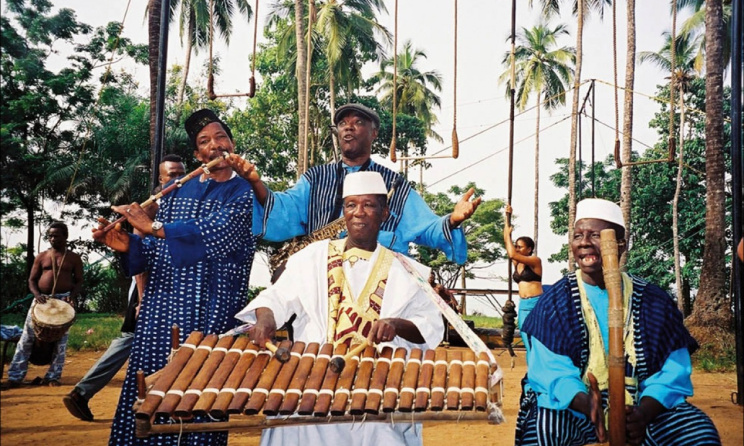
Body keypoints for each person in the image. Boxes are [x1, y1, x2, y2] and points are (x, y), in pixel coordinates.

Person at [235, 171, 444, 446]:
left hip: (377, 384)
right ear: (343, 211)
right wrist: (265, 319)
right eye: (351, 205)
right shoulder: (312, 256)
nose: (359, 213)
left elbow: (430, 326)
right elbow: (276, 297)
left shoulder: (409, 270)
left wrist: (396, 324)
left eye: (369, 205)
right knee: (289, 420)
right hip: (312, 379)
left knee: (382, 432)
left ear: (384, 213)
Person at [93, 109, 258, 446]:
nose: (214, 145)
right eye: (204, 142)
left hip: (209, 318)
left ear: (232, 144)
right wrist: (127, 245)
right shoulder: (174, 193)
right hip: (160, 313)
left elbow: (219, 234)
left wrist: (152, 226)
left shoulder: (245, 193)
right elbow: (151, 251)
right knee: (148, 397)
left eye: (220, 137)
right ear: (197, 155)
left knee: (201, 397)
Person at [514, 198, 721, 446]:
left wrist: (643, 414)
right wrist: (586, 403)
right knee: (544, 432)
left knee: (699, 434)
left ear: (621, 245)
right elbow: (549, 370)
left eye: (596, 235)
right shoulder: (555, 302)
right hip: (576, 407)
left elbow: (672, 371)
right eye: (578, 235)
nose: (585, 243)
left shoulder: (653, 300)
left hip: (643, 406)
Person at [229, 102, 481, 265]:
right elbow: (282, 209)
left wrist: (454, 220)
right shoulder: (315, 178)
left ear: (374, 133)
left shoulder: (394, 183)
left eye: (358, 122)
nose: (348, 128)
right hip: (321, 278)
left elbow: (426, 228)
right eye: (342, 123)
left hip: (380, 279)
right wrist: (255, 183)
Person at [63, 157, 186, 422]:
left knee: (132, 343)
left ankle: (85, 392)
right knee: (130, 341)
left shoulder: (178, 207)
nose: (178, 179)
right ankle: (84, 392)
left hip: (159, 295)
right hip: (148, 295)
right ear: (161, 181)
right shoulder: (151, 210)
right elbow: (142, 266)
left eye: (181, 173)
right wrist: (144, 301)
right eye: (172, 174)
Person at [3, 222, 83, 389]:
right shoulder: (42, 256)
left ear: (65, 237)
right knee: (26, 339)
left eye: (56, 236)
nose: (52, 239)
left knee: (60, 343)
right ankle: (15, 377)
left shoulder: (73, 258)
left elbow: (79, 281)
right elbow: (32, 280)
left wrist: (71, 297)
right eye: (50, 236)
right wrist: (37, 295)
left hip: (63, 303)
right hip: (41, 301)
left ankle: (53, 377)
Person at [503, 204, 543, 355]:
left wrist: (508, 235)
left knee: (537, 339)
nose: (517, 249)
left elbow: (512, 253)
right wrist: (507, 217)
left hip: (536, 303)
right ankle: (531, 367)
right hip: (523, 304)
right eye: (516, 246)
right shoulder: (517, 263)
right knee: (526, 338)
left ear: (529, 249)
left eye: (520, 247)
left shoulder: (535, 261)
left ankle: (539, 367)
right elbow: (509, 247)